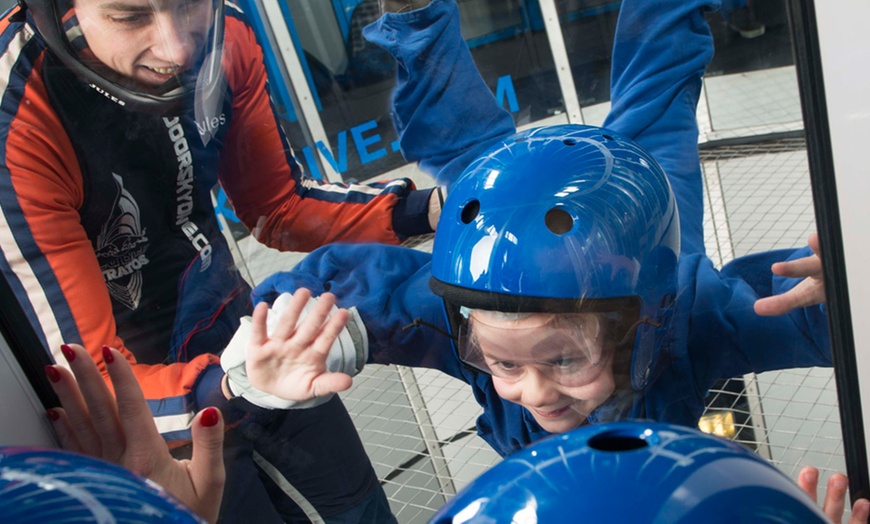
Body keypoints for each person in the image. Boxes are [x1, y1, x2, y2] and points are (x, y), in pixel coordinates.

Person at [0, 0, 444, 519]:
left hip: (244, 332)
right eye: (129, 16)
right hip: (152, 408)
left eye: (189, 3)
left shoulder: (226, 30)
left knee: (361, 509)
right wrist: (235, 386)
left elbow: (276, 205)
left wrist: (434, 209)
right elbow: (91, 380)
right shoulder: (15, 117)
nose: (177, 47)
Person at [375, 0, 711, 254]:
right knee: (656, 106)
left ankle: (417, 17)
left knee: (485, 174)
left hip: (530, 256)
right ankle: (417, 18)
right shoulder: (692, 299)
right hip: (660, 259)